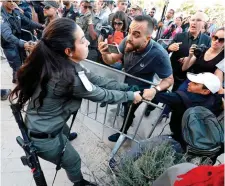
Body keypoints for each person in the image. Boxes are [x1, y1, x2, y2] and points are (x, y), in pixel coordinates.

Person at [9, 18, 142, 185]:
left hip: (43, 123)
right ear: (68, 51)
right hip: (44, 137)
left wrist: (125, 88)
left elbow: (96, 79)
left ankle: (63, 136)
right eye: (82, 40)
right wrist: (131, 96)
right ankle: (79, 183)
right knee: (73, 161)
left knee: (64, 131)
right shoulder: (66, 77)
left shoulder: (62, 62)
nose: (87, 42)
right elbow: (102, 94)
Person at [99, 15, 174, 142]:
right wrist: (104, 53)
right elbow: (111, 59)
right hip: (122, 83)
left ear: (147, 38)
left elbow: (169, 79)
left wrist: (155, 90)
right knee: (123, 104)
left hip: (139, 89)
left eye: (136, 35)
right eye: (129, 32)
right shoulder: (128, 41)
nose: (129, 38)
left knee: (129, 111)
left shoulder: (159, 54)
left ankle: (123, 132)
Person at [152, 72, 223, 146]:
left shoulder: (184, 98)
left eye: (195, 84)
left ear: (205, 91)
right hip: (198, 143)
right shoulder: (217, 101)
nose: (189, 83)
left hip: (179, 140)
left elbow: (154, 95)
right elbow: (221, 92)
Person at [1, 1, 43, 83]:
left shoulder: (15, 11)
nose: (13, 3)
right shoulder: (1, 17)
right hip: (9, 45)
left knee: (22, 63)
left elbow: (27, 21)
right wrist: (23, 44)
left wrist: (41, 26)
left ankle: (15, 79)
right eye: (9, 1)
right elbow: (7, 36)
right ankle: (20, 87)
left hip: (19, 41)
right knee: (17, 67)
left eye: (14, 1)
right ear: (3, 1)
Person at [167, 12, 211, 91]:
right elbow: (167, 50)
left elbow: (206, 58)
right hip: (173, 72)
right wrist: (170, 48)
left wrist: (189, 59)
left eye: (198, 20)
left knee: (178, 98)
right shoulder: (179, 36)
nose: (194, 22)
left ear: (204, 24)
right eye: (192, 20)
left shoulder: (207, 40)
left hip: (191, 77)